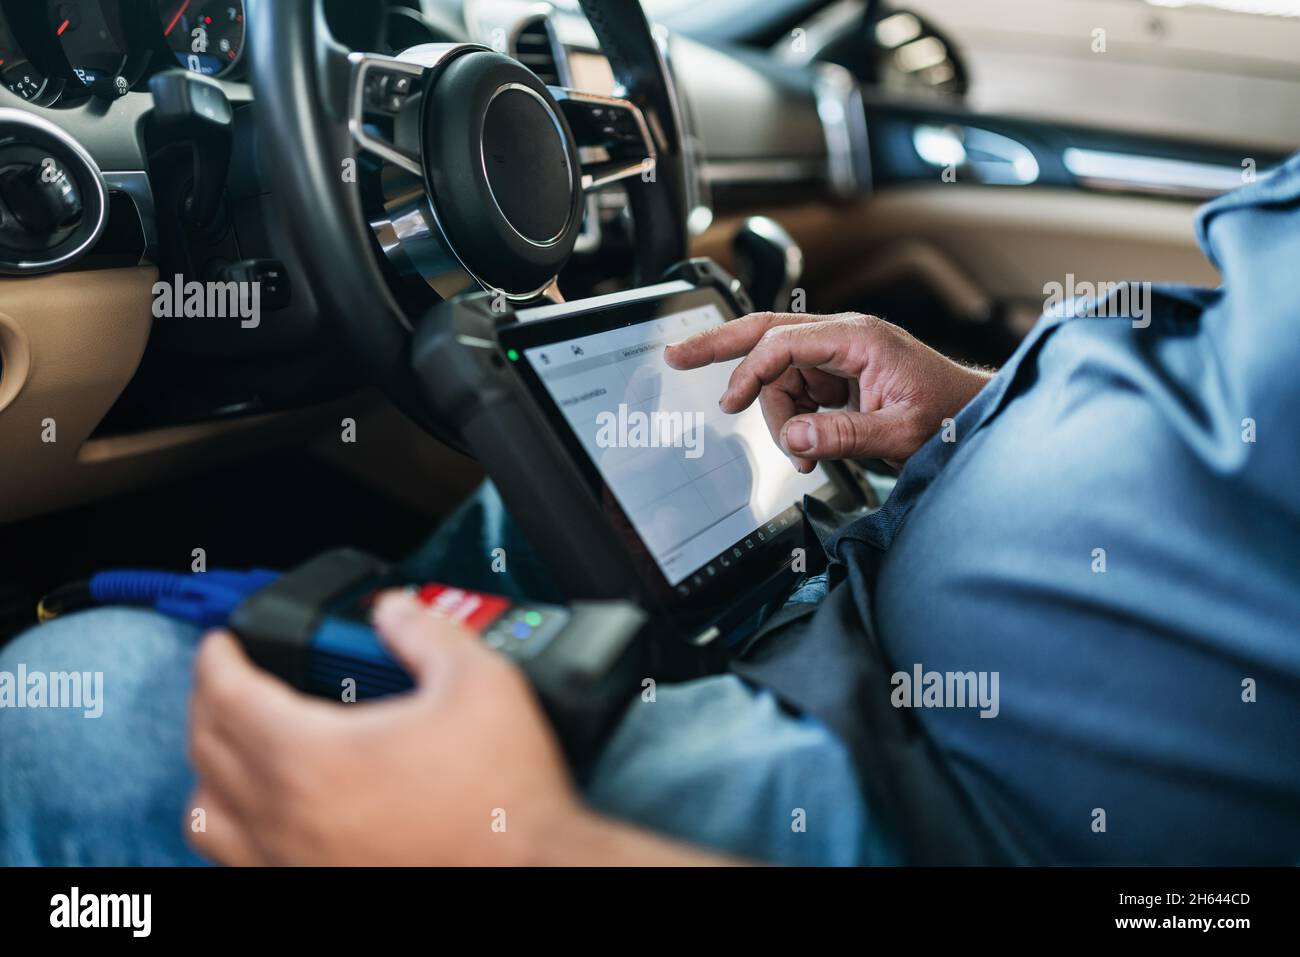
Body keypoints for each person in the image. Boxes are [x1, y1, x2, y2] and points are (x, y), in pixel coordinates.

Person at [2, 153, 1298, 867]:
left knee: (86, 706)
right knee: (533, 510)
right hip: (855, 623)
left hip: (943, 809)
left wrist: (520, 845)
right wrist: (976, 411)